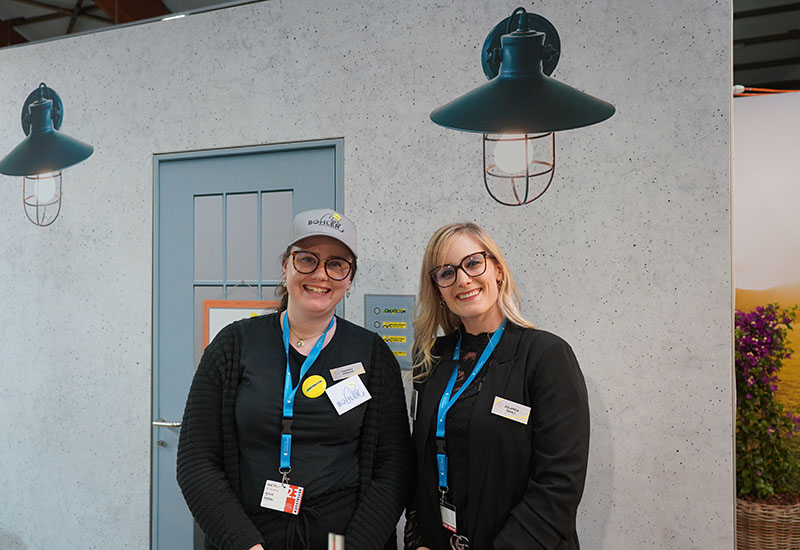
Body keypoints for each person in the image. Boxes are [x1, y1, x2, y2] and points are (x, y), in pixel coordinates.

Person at [177, 208, 414, 550]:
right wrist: (245, 545)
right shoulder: (234, 345)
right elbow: (196, 460)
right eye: (307, 259)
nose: (320, 274)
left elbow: (394, 468)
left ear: (349, 279)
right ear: (285, 267)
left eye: (336, 264)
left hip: (340, 540)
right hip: (250, 537)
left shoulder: (372, 354)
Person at [404, 222, 590, 550]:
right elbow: (420, 465)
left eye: (473, 263)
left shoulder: (546, 356)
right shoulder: (430, 359)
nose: (463, 279)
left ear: (498, 271)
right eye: (446, 272)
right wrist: (417, 539)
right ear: (438, 289)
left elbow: (559, 485)